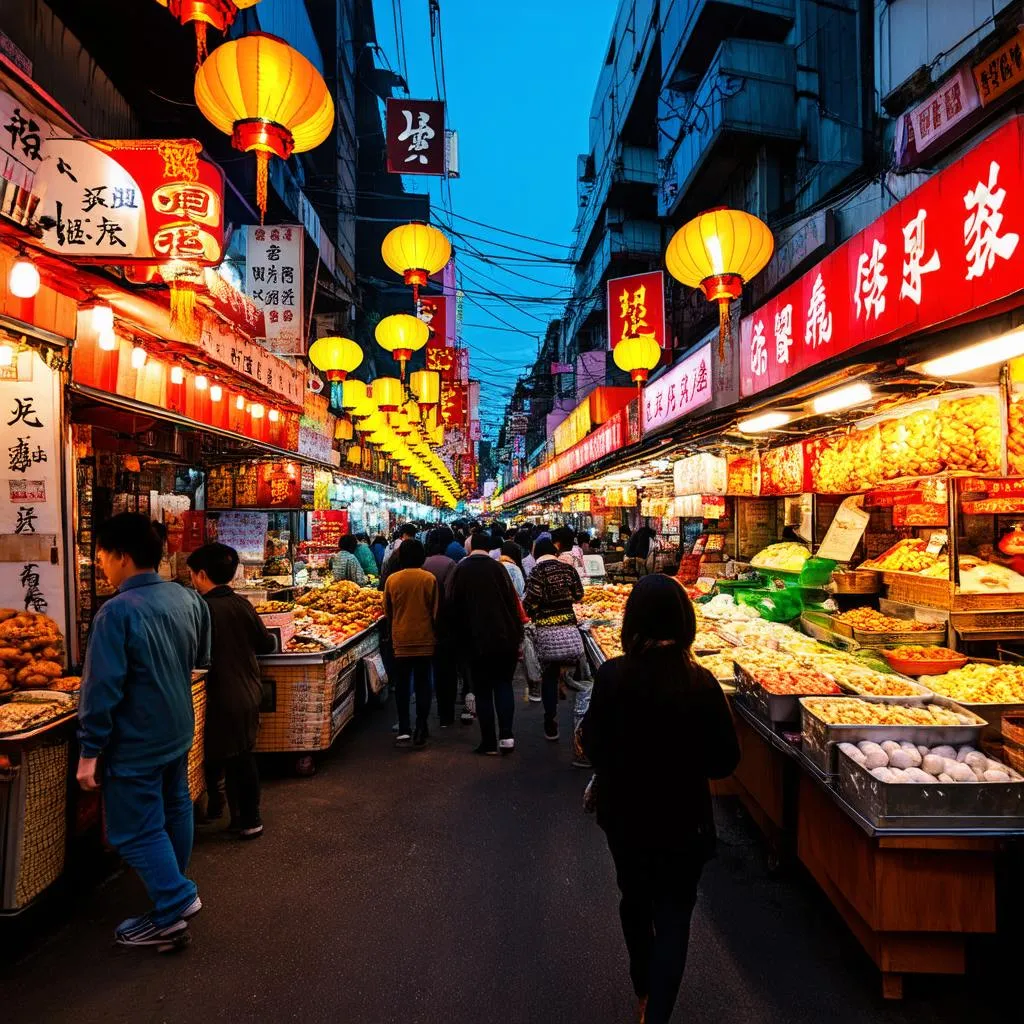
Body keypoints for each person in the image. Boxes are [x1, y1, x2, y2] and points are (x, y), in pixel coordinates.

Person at [580, 576, 739, 1024]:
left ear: (632, 622)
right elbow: (724, 761)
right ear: (686, 622)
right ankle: (658, 1012)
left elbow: (594, 745)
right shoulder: (702, 683)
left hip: (624, 817)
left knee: (634, 899)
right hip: (684, 822)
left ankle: (644, 990)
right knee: (674, 914)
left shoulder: (613, 675)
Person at [77, 513, 211, 952]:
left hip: (137, 738)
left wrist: (89, 750)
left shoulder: (115, 613)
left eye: (102, 558)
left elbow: (102, 689)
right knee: (176, 808)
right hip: (178, 726)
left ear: (123, 557)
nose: (101, 566)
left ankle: (174, 899)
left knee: (133, 829)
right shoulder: (189, 599)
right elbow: (200, 659)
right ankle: (171, 897)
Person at [187, 543, 275, 840]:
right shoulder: (242, 604)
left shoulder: (201, 610)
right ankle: (233, 813)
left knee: (231, 757)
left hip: (220, 694)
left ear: (200, 574)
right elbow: (266, 644)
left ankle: (248, 818)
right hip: (249, 690)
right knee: (239, 754)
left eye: (191, 575)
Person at [446, 532, 524, 754]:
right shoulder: (499, 569)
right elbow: (513, 602)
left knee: (482, 691)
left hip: (475, 641)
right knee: (503, 685)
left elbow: (452, 606)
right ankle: (507, 737)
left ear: (469, 547)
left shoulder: (460, 569)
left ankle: (489, 742)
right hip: (504, 638)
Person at [523, 538, 584, 740]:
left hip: (547, 631)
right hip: (568, 628)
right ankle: (582, 721)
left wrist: (536, 611)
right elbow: (578, 595)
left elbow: (530, 602)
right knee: (579, 673)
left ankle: (551, 719)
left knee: (549, 675)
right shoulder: (568, 570)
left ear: (537, 554)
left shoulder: (537, 572)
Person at [384, 538, 438, 747]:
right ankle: (421, 727)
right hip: (425, 639)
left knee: (403, 684)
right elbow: (435, 611)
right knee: (424, 684)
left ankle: (405, 728)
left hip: (401, 639)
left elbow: (388, 612)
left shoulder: (392, 580)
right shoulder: (429, 579)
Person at [424, 529, 459, 727]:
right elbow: (450, 594)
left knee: (429, 671)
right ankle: (447, 714)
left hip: (425, 623)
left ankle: (424, 716)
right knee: (447, 670)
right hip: (446, 624)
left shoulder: (424, 565)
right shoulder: (450, 564)